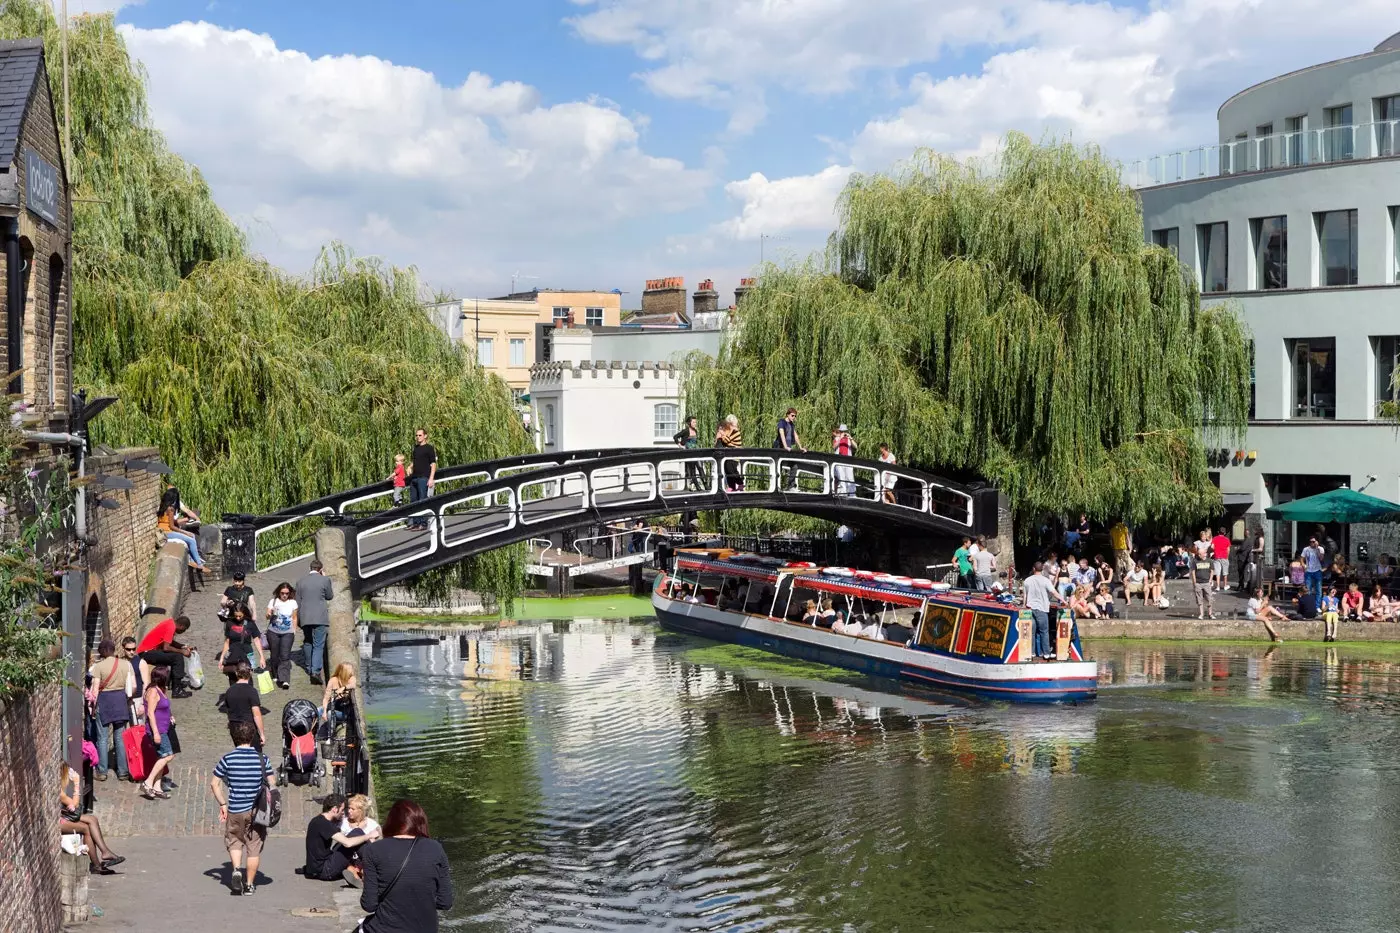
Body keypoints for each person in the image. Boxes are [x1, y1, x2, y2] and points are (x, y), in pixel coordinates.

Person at [358, 800, 453, 932]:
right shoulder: (436, 848)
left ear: (391, 821)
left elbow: (369, 905)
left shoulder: (374, 850)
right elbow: (445, 902)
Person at [209, 720, 275, 896]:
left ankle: (237, 870)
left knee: (235, 841)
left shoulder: (228, 759)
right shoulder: (263, 759)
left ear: (234, 738)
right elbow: (272, 784)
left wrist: (223, 803)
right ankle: (249, 885)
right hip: (257, 811)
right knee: (253, 848)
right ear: (252, 737)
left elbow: (214, 783)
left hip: (236, 809)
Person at [59, 763, 123, 874]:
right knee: (86, 828)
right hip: (60, 821)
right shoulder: (60, 793)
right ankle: (96, 864)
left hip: (64, 816)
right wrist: (77, 783)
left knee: (92, 819)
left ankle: (104, 852)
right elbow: (75, 806)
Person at [88, 639, 135, 782]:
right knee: (120, 738)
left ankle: (102, 771)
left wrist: (91, 706)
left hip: (104, 702)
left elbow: (95, 690)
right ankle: (123, 772)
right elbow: (133, 687)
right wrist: (126, 699)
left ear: (102, 651)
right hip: (120, 700)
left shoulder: (98, 667)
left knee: (102, 738)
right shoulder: (126, 664)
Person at [140, 666, 177, 800]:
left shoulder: (162, 689)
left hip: (165, 728)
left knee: (161, 757)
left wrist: (170, 716)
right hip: (158, 730)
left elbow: (165, 706)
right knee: (168, 755)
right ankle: (148, 782)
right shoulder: (152, 692)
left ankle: (157, 787)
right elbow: (150, 713)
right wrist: (155, 733)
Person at [297, 560, 335, 686]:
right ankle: (315, 671)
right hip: (320, 617)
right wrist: (324, 577)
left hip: (305, 617)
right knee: (318, 644)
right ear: (320, 569)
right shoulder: (325, 580)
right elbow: (330, 596)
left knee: (308, 642)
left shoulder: (300, 581)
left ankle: (308, 668)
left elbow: (297, 601)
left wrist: (298, 619)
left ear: (310, 568)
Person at [136, 615, 193, 698]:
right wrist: (182, 651)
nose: (183, 631)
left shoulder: (170, 623)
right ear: (181, 626)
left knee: (174, 656)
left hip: (150, 651)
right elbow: (166, 647)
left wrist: (182, 646)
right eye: (184, 629)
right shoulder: (171, 627)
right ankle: (177, 690)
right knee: (177, 657)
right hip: (146, 653)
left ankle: (174, 683)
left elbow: (169, 641)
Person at [335, 794, 383, 886]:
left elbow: (380, 845)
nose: (349, 811)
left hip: (363, 859)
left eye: (352, 809)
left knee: (369, 845)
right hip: (348, 856)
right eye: (348, 808)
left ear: (361, 811)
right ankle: (355, 876)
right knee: (348, 866)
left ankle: (363, 873)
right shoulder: (343, 823)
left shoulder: (372, 825)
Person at [221, 661, 267, 749]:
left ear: (236, 673)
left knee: (240, 751)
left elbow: (229, 711)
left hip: (234, 728)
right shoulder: (251, 691)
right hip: (248, 728)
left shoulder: (229, 691)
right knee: (255, 754)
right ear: (249, 673)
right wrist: (262, 734)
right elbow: (256, 714)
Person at [1022, 561, 1062, 661]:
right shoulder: (1046, 580)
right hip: (1041, 609)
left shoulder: (1027, 580)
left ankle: (1031, 653)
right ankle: (1046, 653)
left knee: (1031, 632)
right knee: (1044, 632)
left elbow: (1025, 596)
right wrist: (1064, 600)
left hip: (1030, 608)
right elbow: (1053, 592)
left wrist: (1023, 607)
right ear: (1042, 570)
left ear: (1033, 569)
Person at [220, 602, 266, 685]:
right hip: (233, 655)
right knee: (233, 680)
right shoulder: (229, 623)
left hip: (247, 654)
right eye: (236, 616)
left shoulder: (250, 623)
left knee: (247, 680)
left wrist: (261, 657)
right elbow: (227, 641)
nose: (238, 618)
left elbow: (256, 640)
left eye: (240, 616)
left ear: (244, 614)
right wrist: (222, 657)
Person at [157, 502, 207, 571]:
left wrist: (185, 519)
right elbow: (172, 526)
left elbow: (172, 521)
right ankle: (198, 563)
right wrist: (185, 532)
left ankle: (193, 560)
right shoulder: (170, 509)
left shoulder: (162, 507)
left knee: (191, 537)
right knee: (191, 540)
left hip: (164, 530)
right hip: (167, 532)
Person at [407, 428, 437, 530]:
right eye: (416, 435)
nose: (418, 437)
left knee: (422, 500)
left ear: (425, 436)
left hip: (424, 478)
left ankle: (423, 523)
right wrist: (410, 466)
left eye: (420, 435)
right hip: (414, 478)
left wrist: (431, 478)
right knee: (414, 501)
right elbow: (415, 461)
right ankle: (415, 522)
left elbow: (433, 464)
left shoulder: (429, 448)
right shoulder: (415, 448)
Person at [321, 662, 358, 736]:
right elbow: (326, 698)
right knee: (317, 711)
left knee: (330, 713)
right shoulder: (333, 680)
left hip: (344, 712)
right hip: (334, 706)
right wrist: (324, 712)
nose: (352, 673)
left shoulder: (351, 678)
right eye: (350, 671)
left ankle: (330, 735)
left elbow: (353, 685)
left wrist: (343, 688)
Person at [773, 408, 803, 490]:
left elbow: (796, 436)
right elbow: (781, 433)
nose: (794, 417)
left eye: (795, 416)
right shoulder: (782, 422)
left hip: (788, 449)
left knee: (794, 466)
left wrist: (800, 447)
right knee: (778, 466)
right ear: (787, 414)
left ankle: (791, 486)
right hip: (780, 448)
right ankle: (776, 486)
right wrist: (785, 446)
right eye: (792, 415)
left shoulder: (792, 425)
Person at [673, 415, 703, 490]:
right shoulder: (686, 431)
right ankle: (698, 487)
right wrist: (680, 445)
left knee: (700, 467)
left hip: (696, 452)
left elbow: (695, 442)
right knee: (692, 470)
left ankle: (705, 485)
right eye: (694, 422)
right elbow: (675, 436)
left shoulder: (696, 431)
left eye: (696, 422)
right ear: (689, 423)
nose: (695, 423)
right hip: (689, 452)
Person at [715, 415, 743, 491]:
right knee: (727, 470)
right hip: (728, 454)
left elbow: (727, 441)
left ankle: (740, 484)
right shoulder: (729, 430)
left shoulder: (735, 431)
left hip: (734, 454)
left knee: (732, 470)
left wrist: (722, 434)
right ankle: (732, 487)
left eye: (731, 424)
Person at [831, 424, 856, 497]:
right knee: (841, 477)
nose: (843, 433)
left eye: (845, 431)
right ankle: (843, 493)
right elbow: (834, 446)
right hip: (839, 460)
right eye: (842, 431)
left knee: (850, 477)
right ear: (840, 431)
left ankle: (852, 494)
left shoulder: (848, 439)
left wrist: (851, 438)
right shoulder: (836, 439)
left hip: (848, 460)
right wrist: (840, 438)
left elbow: (856, 446)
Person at [1190, 547, 1215, 620]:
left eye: (1204, 553)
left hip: (1207, 582)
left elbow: (1212, 571)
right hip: (1198, 583)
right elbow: (1193, 572)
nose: (1204, 555)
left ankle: (1210, 614)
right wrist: (1194, 582)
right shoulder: (1195, 561)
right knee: (1199, 599)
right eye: (1201, 554)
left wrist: (1210, 580)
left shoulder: (1210, 561)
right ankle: (1201, 614)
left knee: (1209, 598)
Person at [1301, 537, 1326, 605]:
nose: (1312, 543)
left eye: (1313, 541)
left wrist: (1317, 548)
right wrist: (1304, 565)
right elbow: (1302, 558)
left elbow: (1321, 559)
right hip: (1308, 571)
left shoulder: (1321, 549)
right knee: (1308, 589)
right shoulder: (1306, 549)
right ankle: (1309, 604)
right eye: (1311, 542)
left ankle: (1317, 606)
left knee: (1318, 589)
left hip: (1317, 570)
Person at [1211, 527, 1232, 591]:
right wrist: (1227, 557)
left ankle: (1218, 587)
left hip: (1217, 557)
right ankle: (1225, 586)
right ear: (1224, 533)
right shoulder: (1227, 539)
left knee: (1217, 572)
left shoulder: (1214, 538)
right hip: (1224, 557)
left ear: (1218, 532)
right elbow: (1228, 550)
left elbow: (1212, 547)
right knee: (1225, 572)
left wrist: (1215, 551)